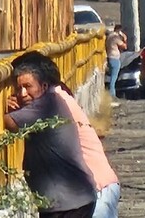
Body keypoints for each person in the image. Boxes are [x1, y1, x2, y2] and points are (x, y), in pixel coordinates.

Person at [9, 52, 120, 218]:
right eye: (17, 87)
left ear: (42, 81)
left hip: (94, 190)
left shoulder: (50, 102)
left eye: (27, 84)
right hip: (94, 190)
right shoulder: (59, 95)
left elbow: (11, 123)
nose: (21, 93)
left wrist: (8, 110)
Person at [105, 25, 127, 101]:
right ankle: (112, 95)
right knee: (113, 78)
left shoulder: (109, 37)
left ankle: (110, 93)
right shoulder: (115, 38)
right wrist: (124, 38)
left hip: (109, 57)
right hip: (115, 58)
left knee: (112, 77)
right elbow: (124, 47)